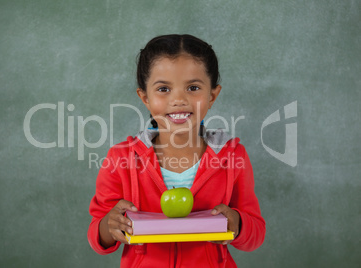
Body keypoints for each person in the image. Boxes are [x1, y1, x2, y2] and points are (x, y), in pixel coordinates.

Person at [87, 34, 265, 267]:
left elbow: (256, 234)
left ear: (212, 95)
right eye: (163, 89)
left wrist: (238, 223)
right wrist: (109, 226)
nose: (179, 99)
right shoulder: (121, 158)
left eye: (193, 87)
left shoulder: (233, 156)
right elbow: (98, 233)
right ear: (145, 98)